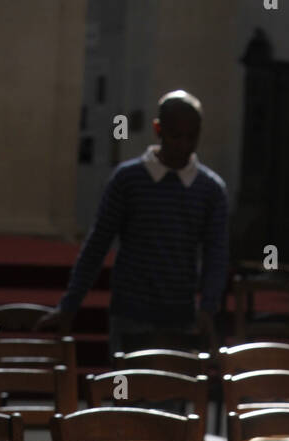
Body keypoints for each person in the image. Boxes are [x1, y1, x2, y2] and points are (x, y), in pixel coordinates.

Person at [39, 90, 228, 357]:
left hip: (180, 312)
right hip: (131, 309)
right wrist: (70, 304)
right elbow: (98, 243)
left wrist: (208, 308)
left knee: (174, 393)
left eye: (191, 137)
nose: (183, 145)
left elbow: (216, 254)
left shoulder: (210, 190)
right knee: (127, 392)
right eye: (176, 136)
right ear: (158, 129)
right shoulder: (128, 180)